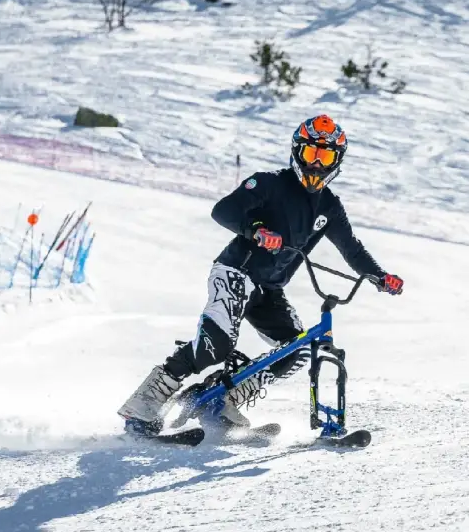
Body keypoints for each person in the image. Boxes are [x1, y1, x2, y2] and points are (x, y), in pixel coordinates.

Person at [118, 114, 404, 434]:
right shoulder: (269, 184)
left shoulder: (329, 207)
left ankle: (223, 400)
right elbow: (224, 210)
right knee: (217, 344)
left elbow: (352, 250)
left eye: (326, 157)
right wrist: (256, 230)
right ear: (297, 153)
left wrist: (380, 276)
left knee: (294, 349)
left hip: (269, 290)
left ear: (337, 161)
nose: (317, 165)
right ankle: (143, 404)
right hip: (235, 272)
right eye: (311, 155)